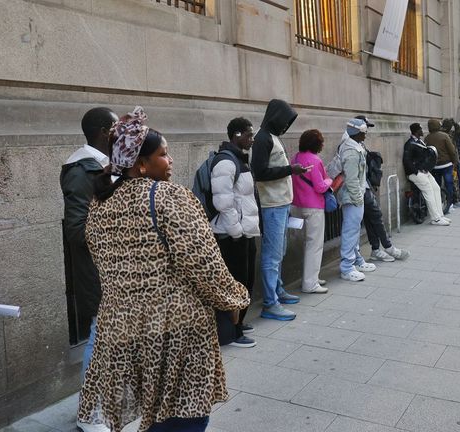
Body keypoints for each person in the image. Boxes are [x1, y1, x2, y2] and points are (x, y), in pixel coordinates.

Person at [77, 107, 249, 432]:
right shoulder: (169, 198)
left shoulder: (100, 206)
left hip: (128, 328)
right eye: (163, 154)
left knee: (155, 412)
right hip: (177, 327)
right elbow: (205, 264)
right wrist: (235, 299)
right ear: (141, 164)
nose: (169, 162)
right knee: (186, 416)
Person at [60, 107, 118, 432]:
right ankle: (89, 413)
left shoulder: (101, 167)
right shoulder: (82, 171)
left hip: (112, 270)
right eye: (115, 128)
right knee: (99, 340)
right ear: (102, 131)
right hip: (97, 273)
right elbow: (77, 230)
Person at [251, 99, 308, 320]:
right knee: (272, 254)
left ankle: (277, 290)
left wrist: (290, 170)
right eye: (285, 121)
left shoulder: (273, 137)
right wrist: (290, 170)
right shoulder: (262, 138)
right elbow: (260, 172)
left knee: (280, 251)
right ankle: (269, 303)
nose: (286, 125)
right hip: (272, 204)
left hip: (281, 202)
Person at [210, 117, 259, 348]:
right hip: (232, 236)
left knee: (246, 281)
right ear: (236, 135)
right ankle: (233, 331)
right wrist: (237, 231)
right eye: (249, 134)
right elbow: (223, 203)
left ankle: (238, 323)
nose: (252, 138)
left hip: (244, 233)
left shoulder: (240, 159)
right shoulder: (226, 162)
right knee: (236, 284)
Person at [353, 115, 410, 262]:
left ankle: (376, 249)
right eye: (365, 129)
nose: (366, 133)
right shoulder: (349, 144)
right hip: (360, 188)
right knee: (376, 216)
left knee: (371, 219)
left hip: (365, 185)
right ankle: (388, 246)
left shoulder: (358, 142)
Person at [291, 129, 332, 294]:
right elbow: (320, 186)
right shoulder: (315, 160)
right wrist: (329, 179)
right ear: (316, 144)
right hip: (314, 207)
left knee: (307, 245)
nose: (322, 145)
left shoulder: (295, 157)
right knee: (314, 246)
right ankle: (310, 284)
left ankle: (312, 278)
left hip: (297, 205)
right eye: (321, 142)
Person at [337, 119, 377, 282]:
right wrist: (358, 199)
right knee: (350, 231)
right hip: (353, 196)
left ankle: (357, 260)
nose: (365, 134)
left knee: (353, 231)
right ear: (357, 133)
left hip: (355, 195)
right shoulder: (351, 151)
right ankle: (347, 267)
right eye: (364, 132)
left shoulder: (354, 147)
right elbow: (352, 180)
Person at [403, 122, 451, 226]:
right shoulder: (409, 144)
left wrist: (426, 168)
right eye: (420, 129)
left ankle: (440, 215)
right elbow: (406, 161)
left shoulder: (420, 141)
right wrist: (417, 171)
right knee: (428, 191)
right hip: (415, 173)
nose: (422, 131)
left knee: (436, 188)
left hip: (424, 171)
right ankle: (435, 219)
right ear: (416, 131)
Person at [424, 119, 459, 214]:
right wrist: (454, 162)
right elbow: (452, 151)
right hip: (446, 165)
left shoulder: (427, 138)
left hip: (434, 166)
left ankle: (439, 205)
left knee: (437, 186)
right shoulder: (445, 136)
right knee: (449, 184)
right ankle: (450, 204)